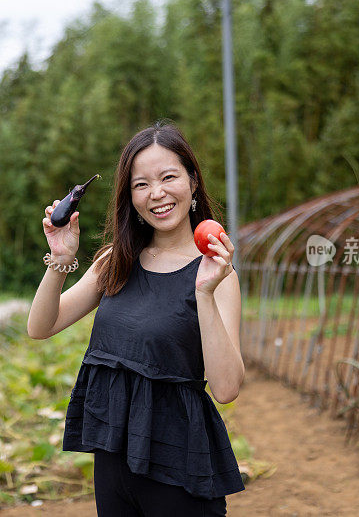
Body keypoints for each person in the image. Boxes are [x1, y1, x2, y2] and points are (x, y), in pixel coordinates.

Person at [27, 122, 245, 516]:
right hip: (112, 464)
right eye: (141, 184)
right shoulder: (116, 261)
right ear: (130, 197)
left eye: (168, 177)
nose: (156, 193)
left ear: (193, 182)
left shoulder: (217, 275)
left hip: (179, 467)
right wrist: (59, 261)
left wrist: (205, 293)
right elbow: (41, 327)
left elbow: (227, 388)